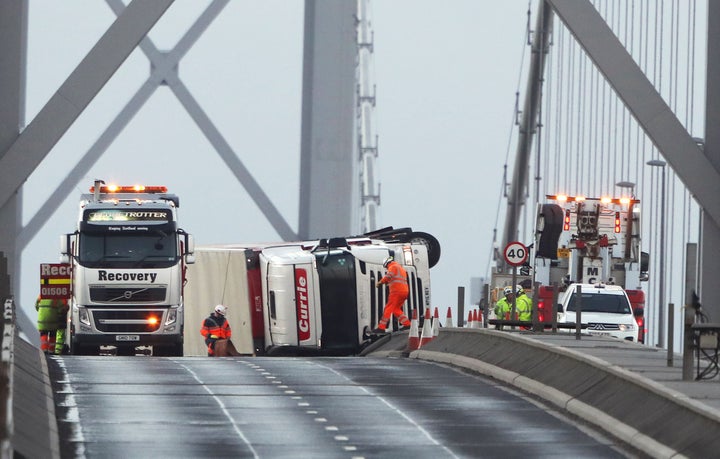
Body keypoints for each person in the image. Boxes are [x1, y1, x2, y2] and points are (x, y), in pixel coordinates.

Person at [371, 255, 411, 334]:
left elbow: (389, 276)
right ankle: (407, 324)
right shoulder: (401, 268)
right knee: (396, 309)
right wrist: (389, 284)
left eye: (386, 267)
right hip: (404, 292)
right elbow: (397, 279)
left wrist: (380, 282)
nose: (386, 268)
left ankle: (381, 328)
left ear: (387, 263)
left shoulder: (392, 267)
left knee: (388, 308)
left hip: (396, 292)